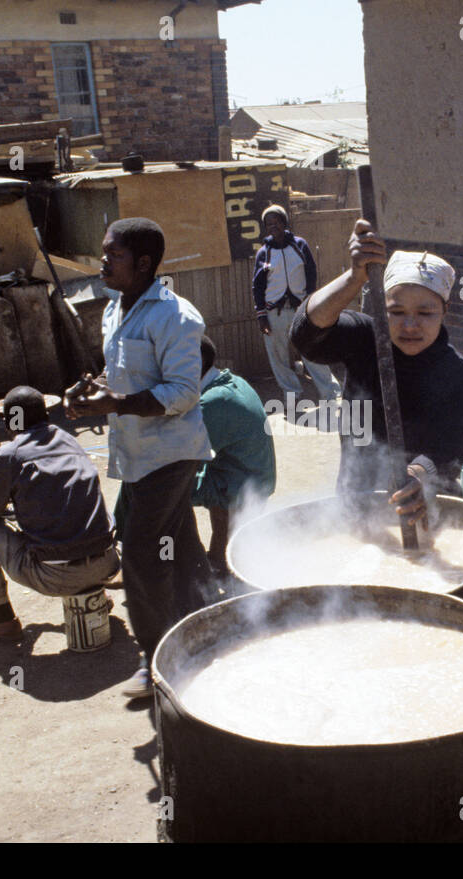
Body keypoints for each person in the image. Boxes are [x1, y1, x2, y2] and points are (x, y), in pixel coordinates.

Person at [64, 217, 212, 699]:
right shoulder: (114, 309)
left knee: (142, 555)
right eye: (104, 252)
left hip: (170, 453)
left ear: (144, 263)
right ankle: (208, 626)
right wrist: (92, 392)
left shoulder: (175, 316)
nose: (103, 260)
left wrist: (116, 404)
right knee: (182, 544)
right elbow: (120, 375)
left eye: (115, 254)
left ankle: (154, 659)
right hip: (137, 452)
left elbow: (184, 392)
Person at [290, 219, 463, 526]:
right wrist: (355, 277)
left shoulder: (461, 377)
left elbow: (448, 452)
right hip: (356, 501)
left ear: (445, 311)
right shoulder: (365, 339)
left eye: (425, 313)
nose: (409, 325)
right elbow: (306, 335)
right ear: (382, 309)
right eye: (396, 312)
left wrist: (419, 476)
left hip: (425, 510)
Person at [0, 387, 119, 642]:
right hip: (107, 564)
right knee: (78, 513)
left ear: (11, 421)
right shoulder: (70, 441)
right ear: (46, 415)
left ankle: (2, 618)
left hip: (55, 578)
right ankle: (92, 592)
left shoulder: (8, 455)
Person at [193, 334, 276, 574]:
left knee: (166, 484)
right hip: (252, 479)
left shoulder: (212, 402)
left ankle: (178, 560)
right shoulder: (230, 381)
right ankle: (220, 558)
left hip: (241, 486)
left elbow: (182, 454)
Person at [252, 204, 341, 402]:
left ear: (284, 223)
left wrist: (310, 301)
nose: (272, 227)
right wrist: (261, 316)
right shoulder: (263, 253)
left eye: (276, 222)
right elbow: (257, 287)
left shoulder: (299, 245)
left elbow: (311, 273)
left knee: (312, 351)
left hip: (300, 309)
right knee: (279, 357)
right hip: (274, 312)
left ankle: (331, 394)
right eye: (268, 224)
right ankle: (291, 396)